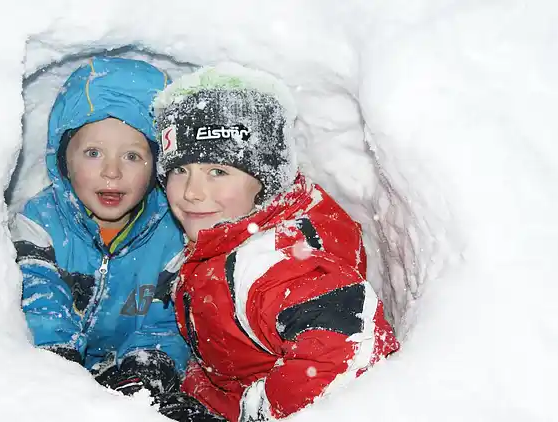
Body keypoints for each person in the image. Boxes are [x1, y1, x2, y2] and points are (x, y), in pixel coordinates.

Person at [152, 63, 400, 421]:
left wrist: (255, 412)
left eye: (218, 171)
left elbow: (350, 348)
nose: (192, 192)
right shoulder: (229, 232)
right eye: (180, 170)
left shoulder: (272, 262)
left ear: (264, 181)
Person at [10, 57, 189, 400]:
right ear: (63, 160)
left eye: (132, 156)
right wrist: (58, 362)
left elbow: (167, 323)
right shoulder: (41, 224)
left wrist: (145, 370)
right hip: (51, 374)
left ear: (156, 167)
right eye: (93, 153)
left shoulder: (172, 236)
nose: (112, 172)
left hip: (130, 376)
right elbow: (39, 300)